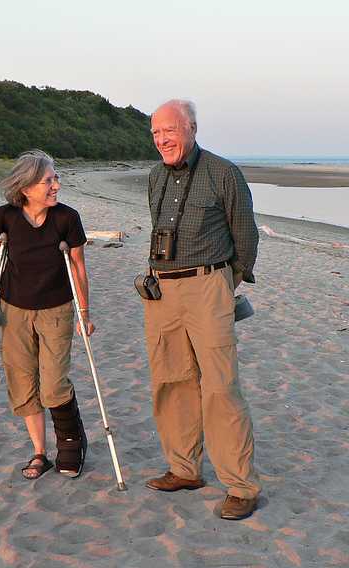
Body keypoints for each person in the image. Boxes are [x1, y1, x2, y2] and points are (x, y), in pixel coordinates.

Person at [142, 99, 261, 520]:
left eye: (168, 131)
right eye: (155, 133)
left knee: (220, 387)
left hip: (209, 284)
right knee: (171, 382)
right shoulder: (155, 176)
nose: (161, 140)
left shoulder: (224, 172)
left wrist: (223, 285)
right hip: (162, 291)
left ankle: (242, 486)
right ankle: (184, 469)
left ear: (191, 127)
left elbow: (245, 237)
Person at [0, 149, 94, 479]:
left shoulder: (67, 218)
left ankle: (72, 441)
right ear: (27, 187)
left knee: (54, 384)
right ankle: (40, 453)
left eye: (56, 178)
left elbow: (78, 268)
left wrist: (84, 312)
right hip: (13, 310)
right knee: (23, 382)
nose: (56, 185)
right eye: (49, 180)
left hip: (56, 309)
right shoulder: (5, 217)